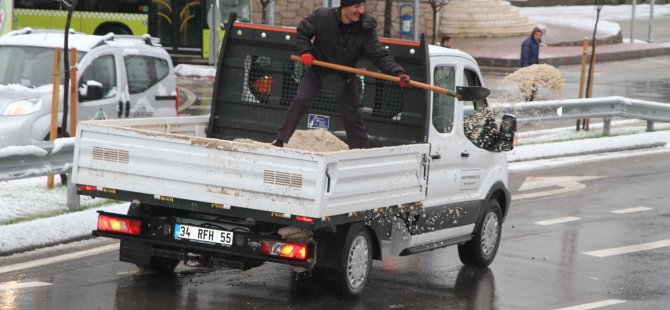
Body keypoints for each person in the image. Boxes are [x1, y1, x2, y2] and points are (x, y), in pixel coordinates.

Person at [272, 0, 411, 149]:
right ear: (345, 6)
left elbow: (379, 55)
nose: (361, 10)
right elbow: (302, 32)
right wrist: (306, 51)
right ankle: (280, 140)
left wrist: (398, 72)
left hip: (344, 76)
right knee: (301, 99)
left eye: (363, 6)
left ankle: (360, 152)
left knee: (353, 116)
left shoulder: (366, 28)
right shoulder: (323, 17)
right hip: (318, 70)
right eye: (357, 6)